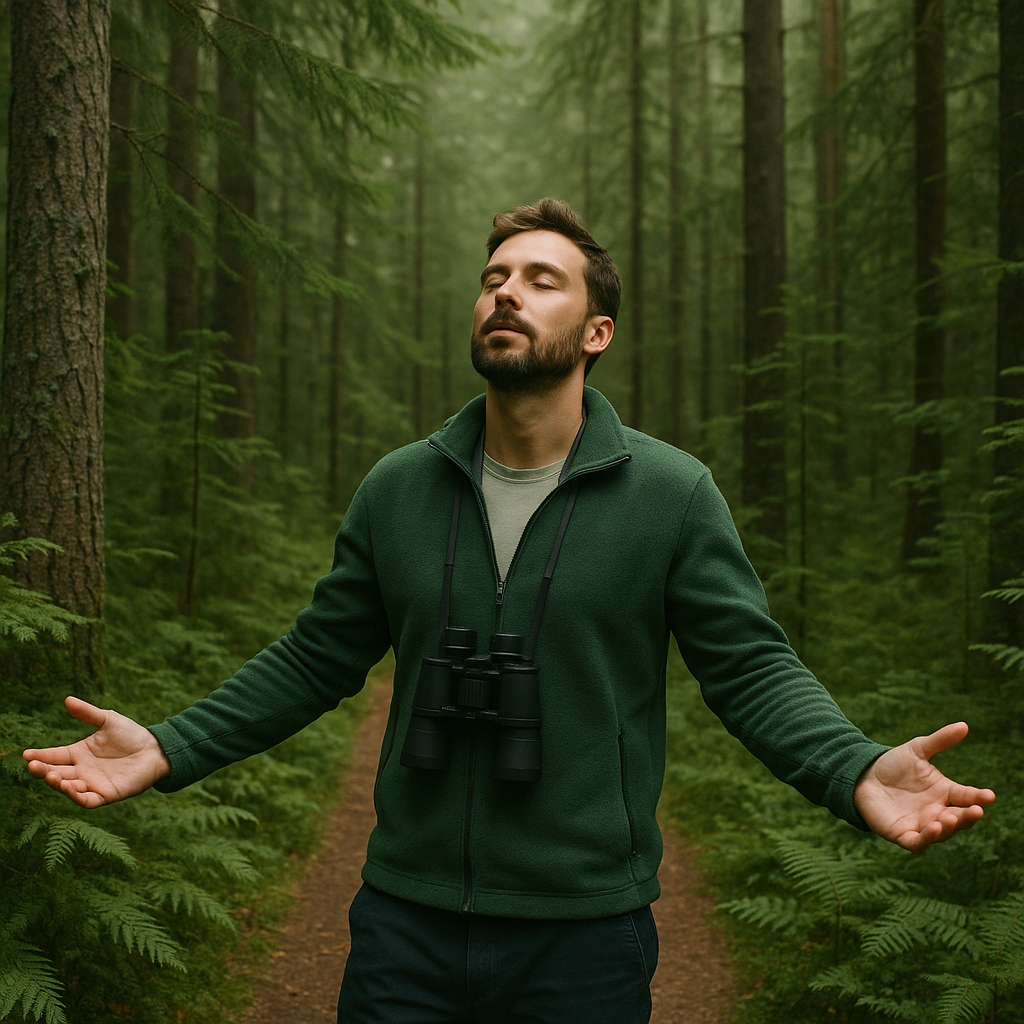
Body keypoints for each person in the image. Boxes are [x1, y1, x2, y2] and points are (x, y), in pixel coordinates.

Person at [24, 199, 995, 1024]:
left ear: (596, 332)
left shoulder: (671, 494)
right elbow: (316, 657)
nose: (506, 292)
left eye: (541, 279)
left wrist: (850, 765)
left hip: (586, 934)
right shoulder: (397, 488)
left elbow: (748, 667)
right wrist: (172, 746)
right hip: (403, 923)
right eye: (494, 277)